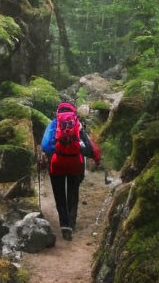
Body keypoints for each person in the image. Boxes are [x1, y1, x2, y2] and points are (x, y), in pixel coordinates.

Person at [41, 101, 101, 240]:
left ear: (58, 112)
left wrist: (57, 150)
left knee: (59, 194)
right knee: (73, 193)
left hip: (57, 165)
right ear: (74, 113)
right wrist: (77, 150)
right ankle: (72, 222)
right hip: (75, 164)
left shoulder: (54, 124)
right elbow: (89, 149)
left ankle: (65, 226)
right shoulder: (78, 125)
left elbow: (45, 146)